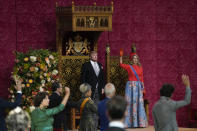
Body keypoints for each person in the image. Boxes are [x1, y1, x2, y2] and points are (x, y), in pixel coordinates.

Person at [119, 45, 148, 127]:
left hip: (138, 87)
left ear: (138, 59)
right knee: (129, 103)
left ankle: (140, 123)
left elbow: (142, 78)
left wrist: (143, 89)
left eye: (136, 58)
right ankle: (129, 123)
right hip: (130, 87)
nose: (135, 60)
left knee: (139, 104)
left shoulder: (140, 67)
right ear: (131, 59)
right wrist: (121, 56)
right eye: (133, 58)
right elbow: (121, 65)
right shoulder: (129, 67)